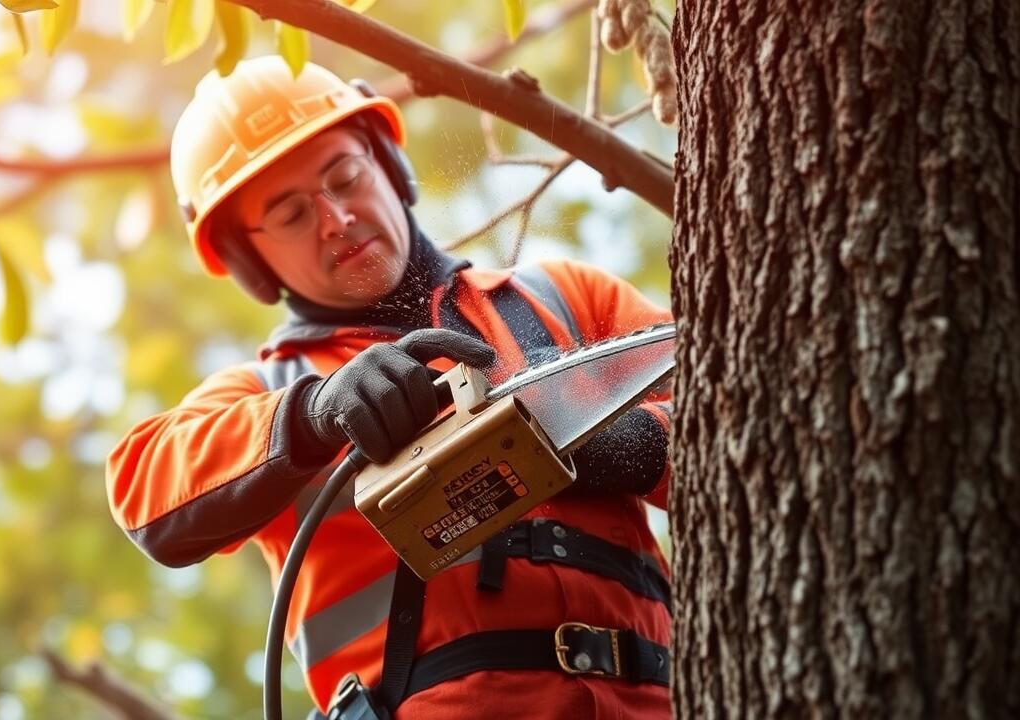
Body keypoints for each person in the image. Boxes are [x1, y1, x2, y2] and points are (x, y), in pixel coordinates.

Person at [107, 56, 674, 719]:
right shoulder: (275, 390)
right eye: (291, 215)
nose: (336, 218)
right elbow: (143, 488)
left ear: (387, 166)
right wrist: (314, 416)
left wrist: (636, 443)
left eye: (344, 176)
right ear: (249, 260)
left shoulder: (563, 299)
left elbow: (743, 409)